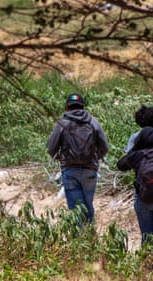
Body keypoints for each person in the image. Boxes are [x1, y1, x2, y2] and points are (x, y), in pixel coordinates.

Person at [47, 93, 109, 223]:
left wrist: (59, 157)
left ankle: (80, 239)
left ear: (67, 107)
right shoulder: (93, 122)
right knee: (88, 205)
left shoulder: (62, 123)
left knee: (76, 209)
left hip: (70, 170)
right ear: (83, 106)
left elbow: (51, 148)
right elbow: (104, 147)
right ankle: (90, 236)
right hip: (90, 170)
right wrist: (95, 157)